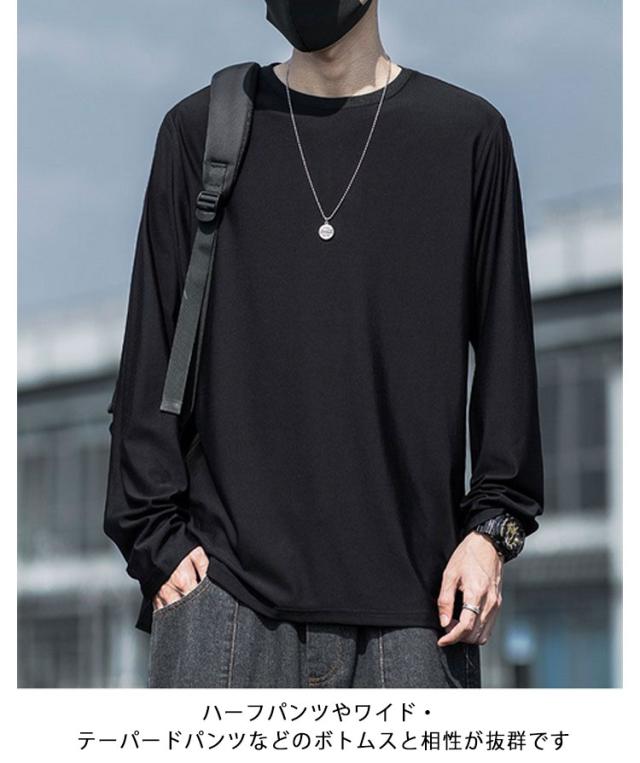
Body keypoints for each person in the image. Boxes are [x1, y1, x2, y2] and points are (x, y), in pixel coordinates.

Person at [104, 0, 544, 689]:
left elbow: (506, 364)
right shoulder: (201, 131)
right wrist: (156, 545)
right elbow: (148, 360)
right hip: (226, 607)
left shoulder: (465, 137)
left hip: (418, 615)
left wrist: (492, 534)